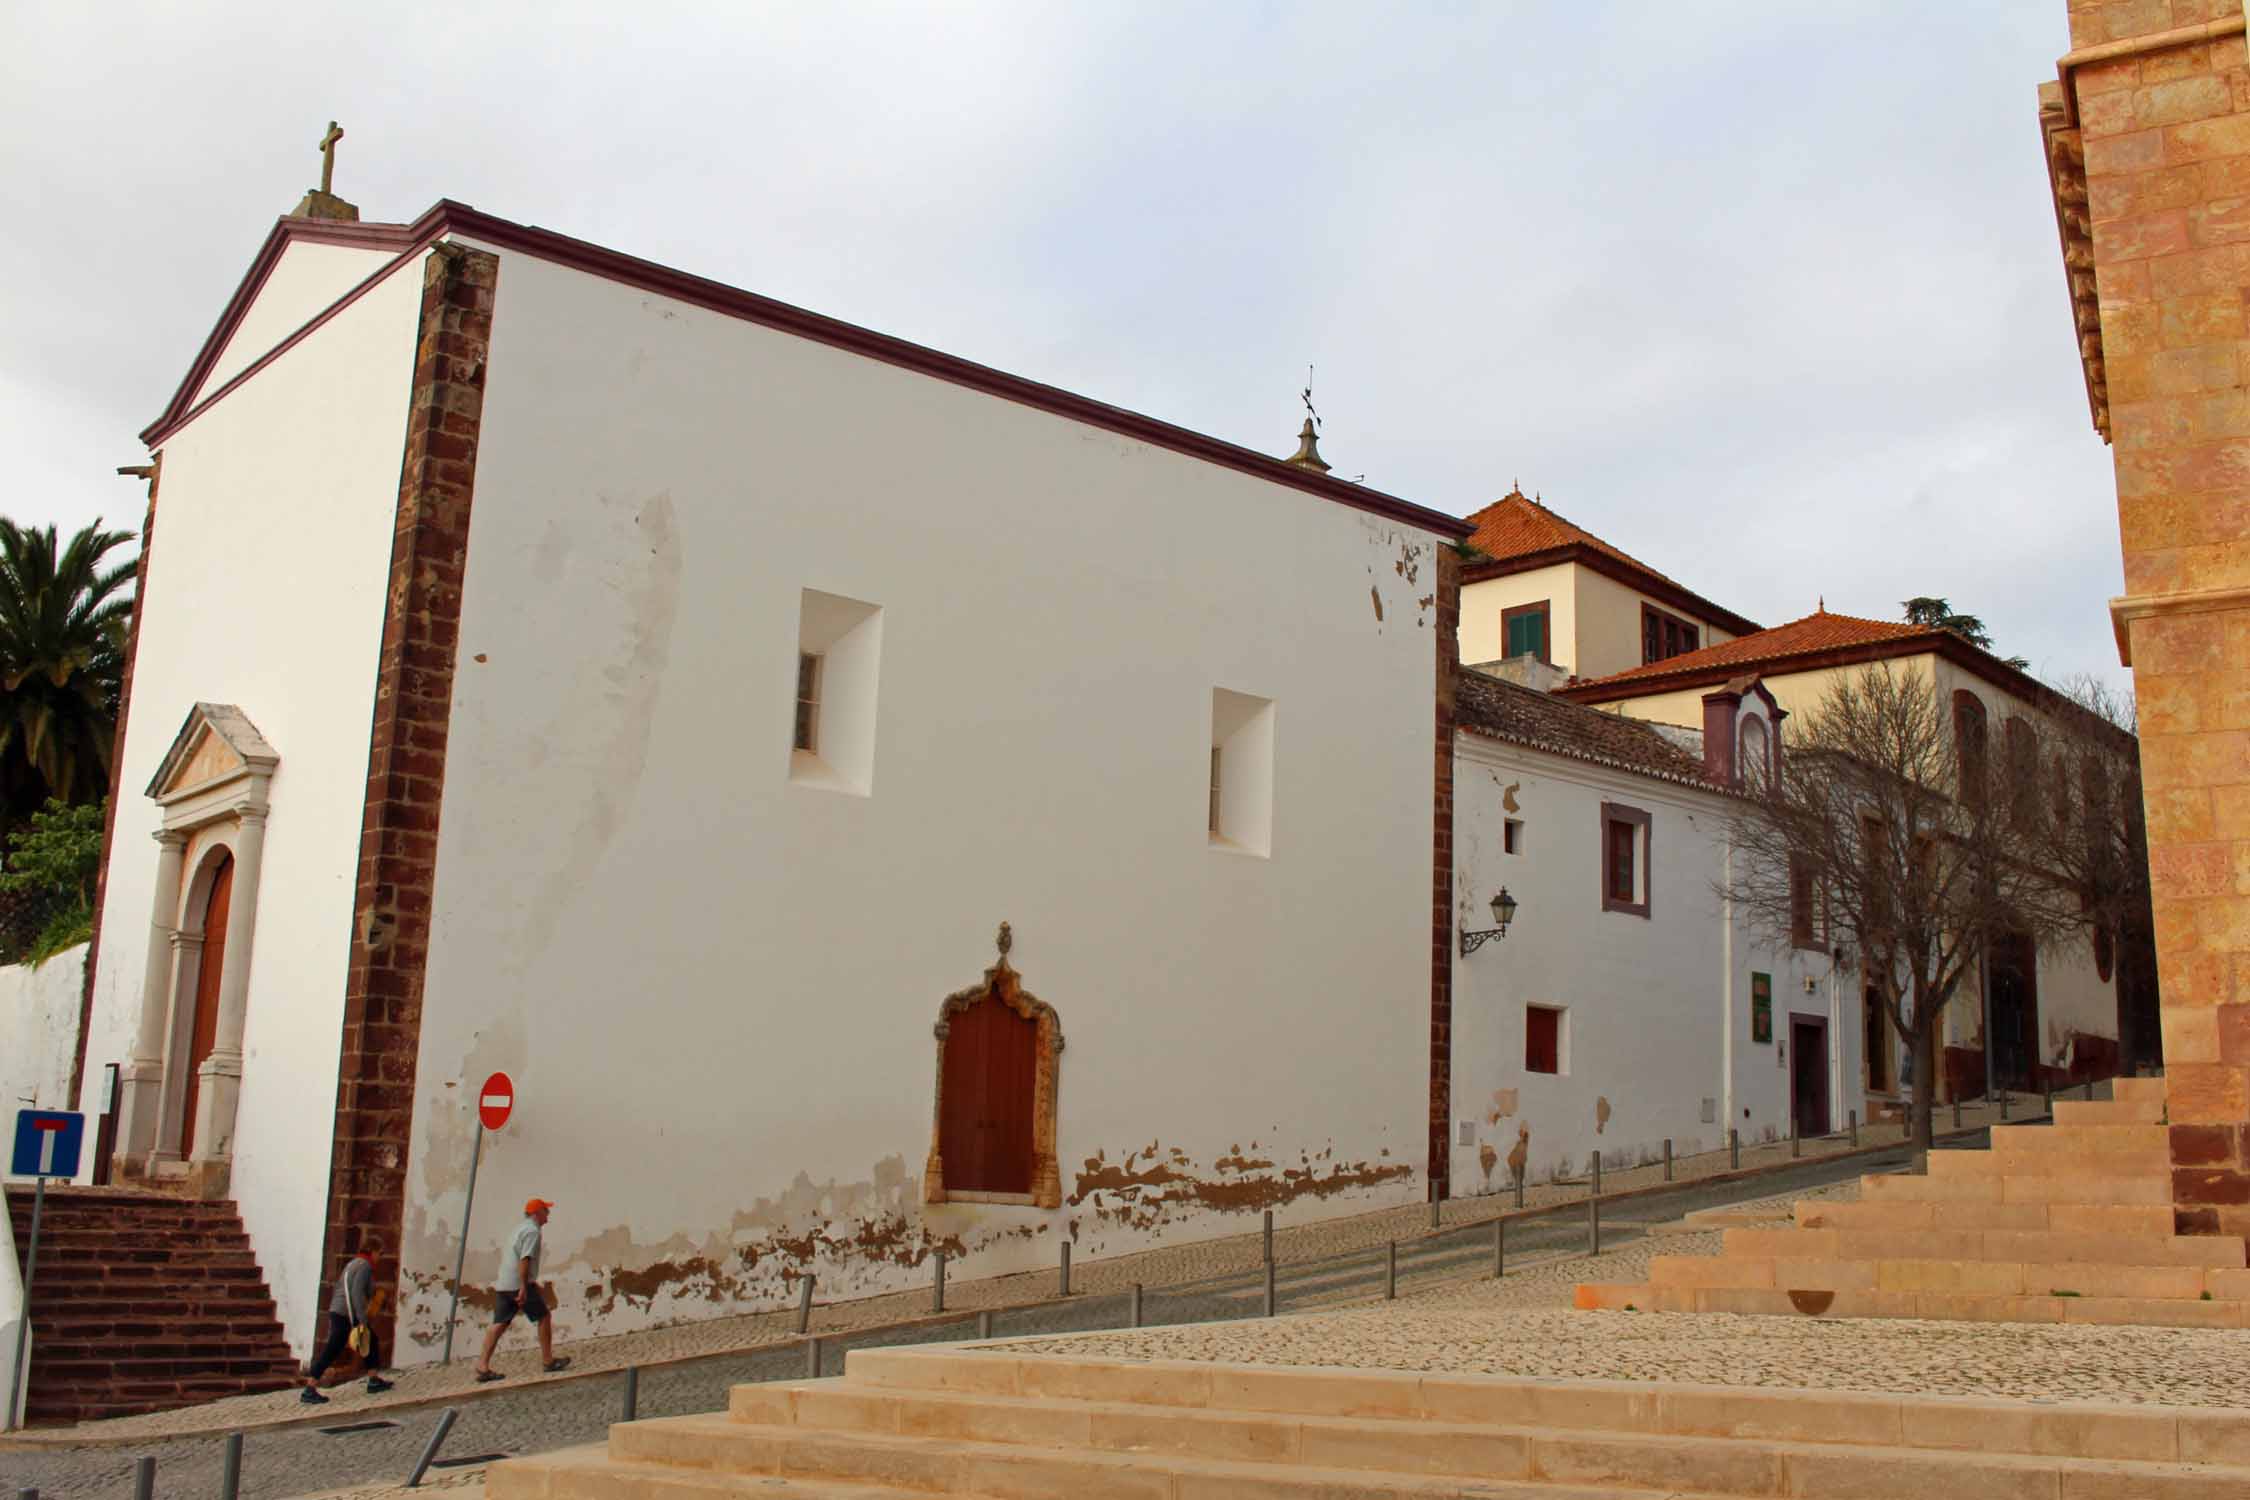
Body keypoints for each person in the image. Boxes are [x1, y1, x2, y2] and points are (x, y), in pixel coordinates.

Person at [475, 1197, 569, 1381]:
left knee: (500, 1323)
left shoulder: (519, 1228)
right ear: (537, 1213)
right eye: (545, 1211)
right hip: (518, 1284)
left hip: (505, 1283)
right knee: (544, 1316)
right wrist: (524, 1287)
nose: (548, 1215)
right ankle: (548, 1361)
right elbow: (524, 1260)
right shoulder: (532, 1231)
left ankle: (482, 1365)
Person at [302, 1239, 393, 1403]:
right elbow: (357, 1292)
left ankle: (373, 1379)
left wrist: (377, 1295)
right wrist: (362, 1319)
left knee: (370, 1341)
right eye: (380, 1253)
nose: (380, 1257)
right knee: (333, 1349)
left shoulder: (355, 1263)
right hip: (345, 1313)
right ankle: (309, 1388)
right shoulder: (364, 1266)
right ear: (372, 1251)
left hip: (340, 1310)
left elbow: (366, 1289)